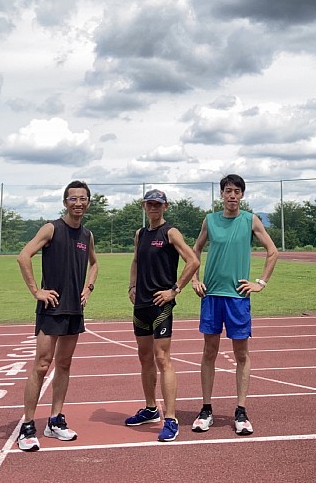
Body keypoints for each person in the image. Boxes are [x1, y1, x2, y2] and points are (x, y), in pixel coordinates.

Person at [191, 174, 278, 435]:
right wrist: (194, 278)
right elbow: (194, 250)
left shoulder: (250, 220)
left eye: (237, 191)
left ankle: (241, 411)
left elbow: (272, 251)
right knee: (209, 352)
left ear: (242, 195)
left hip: (238, 297)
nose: (232, 195)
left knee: (241, 354)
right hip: (212, 296)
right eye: (228, 190)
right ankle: (206, 409)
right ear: (221, 194)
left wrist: (260, 282)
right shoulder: (210, 220)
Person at [16, 180, 98, 452]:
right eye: (73, 199)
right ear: (65, 202)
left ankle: (55, 420)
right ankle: (28, 424)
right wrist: (36, 291)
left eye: (83, 198)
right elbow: (24, 256)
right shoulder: (52, 228)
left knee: (64, 365)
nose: (78, 203)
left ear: (88, 202)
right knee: (41, 365)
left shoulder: (87, 235)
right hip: (52, 308)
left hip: (75, 309)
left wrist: (89, 287)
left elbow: (94, 264)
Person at [125, 189, 200, 442]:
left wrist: (174, 290)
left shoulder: (170, 232)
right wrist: (132, 286)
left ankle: (171, 418)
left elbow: (193, 261)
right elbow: (135, 261)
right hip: (141, 305)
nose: (153, 208)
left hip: (161, 305)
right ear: (144, 206)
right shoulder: (141, 234)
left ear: (165, 207)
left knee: (162, 358)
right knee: (144, 357)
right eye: (149, 204)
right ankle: (150, 409)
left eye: (158, 204)